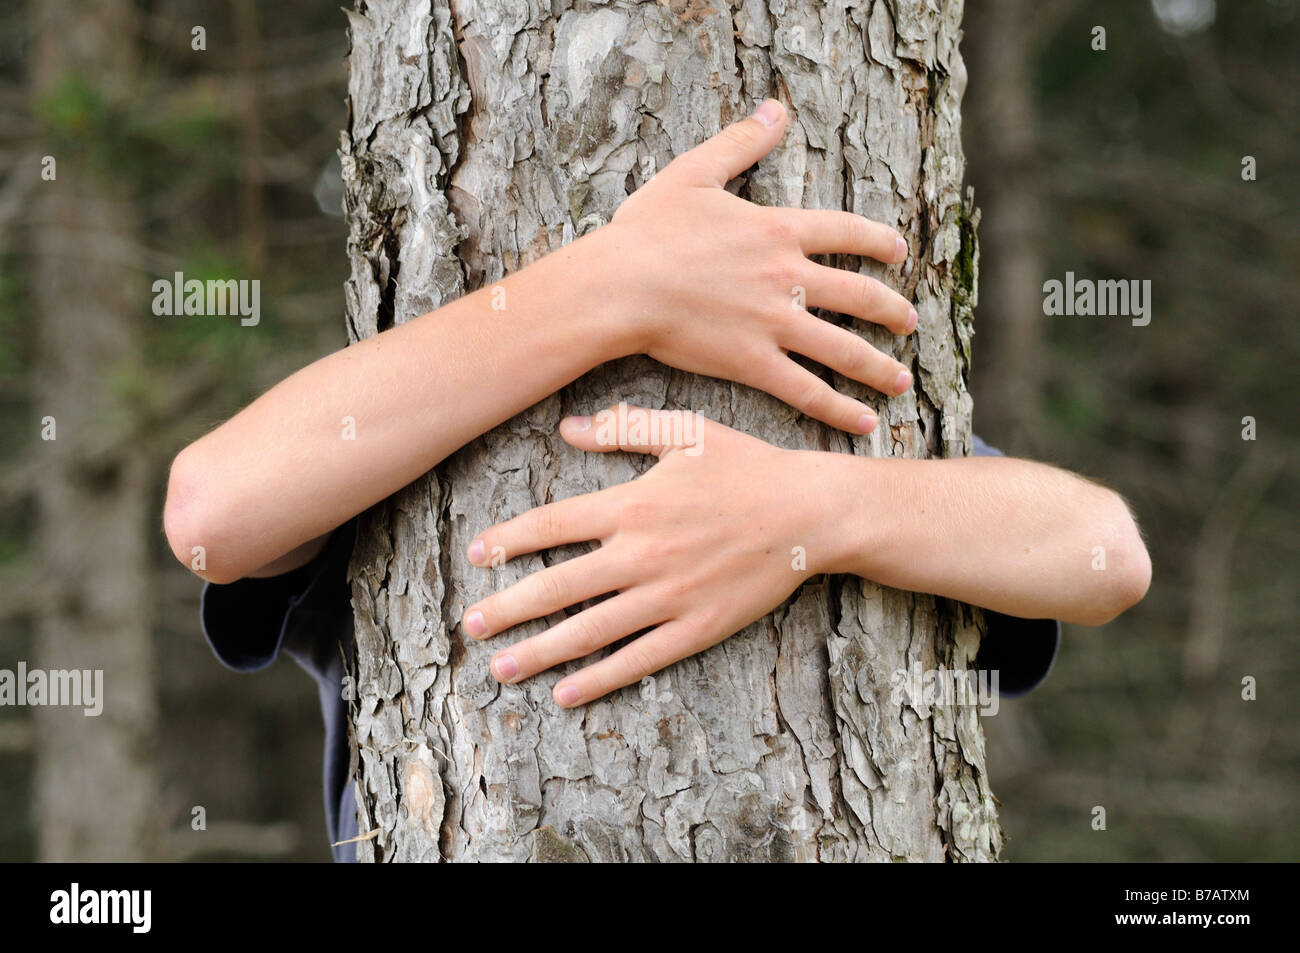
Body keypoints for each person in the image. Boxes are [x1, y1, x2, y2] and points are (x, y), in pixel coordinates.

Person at [166, 100, 1151, 861]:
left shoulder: (855, 426)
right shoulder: (396, 437)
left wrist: (815, 507)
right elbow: (214, 509)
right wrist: (619, 285)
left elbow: (1101, 551)